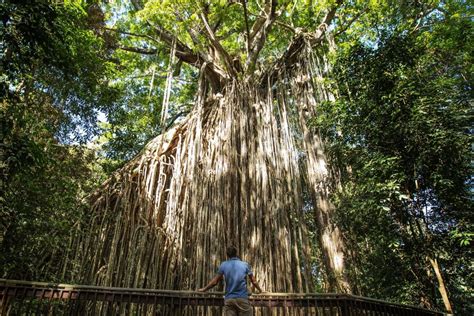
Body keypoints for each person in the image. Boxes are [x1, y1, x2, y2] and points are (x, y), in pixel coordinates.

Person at [198, 246, 263, 316]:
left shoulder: (223, 265)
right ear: (236, 253)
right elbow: (254, 281)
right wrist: (260, 290)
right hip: (242, 299)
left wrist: (204, 289)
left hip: (229, 300)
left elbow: (214, 282)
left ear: (227, 255)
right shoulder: (245, 265)